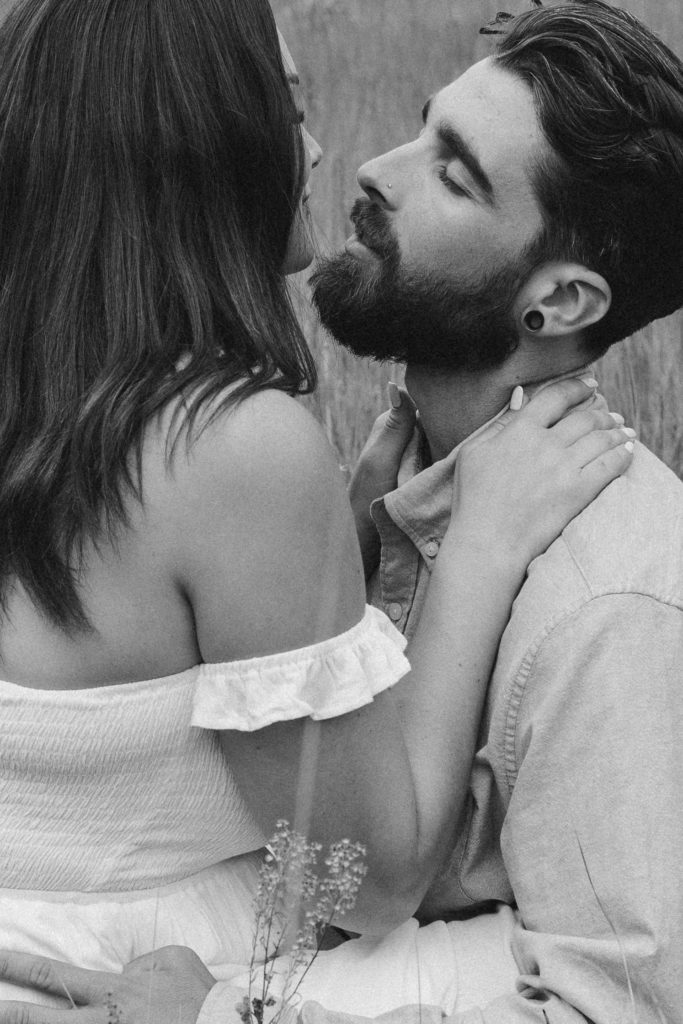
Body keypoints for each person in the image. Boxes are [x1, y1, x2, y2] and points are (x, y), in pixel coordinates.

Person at [8, 1, 681, 1023]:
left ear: (558, 303)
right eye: (417, 124)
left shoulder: (609, 593)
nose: (361, 159)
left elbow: (616, 999)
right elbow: (359, 871)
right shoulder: (282, 470)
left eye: (451, 172)